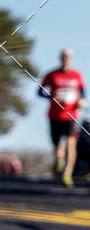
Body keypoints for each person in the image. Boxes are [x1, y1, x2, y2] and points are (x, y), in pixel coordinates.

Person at [39, 49, 85, 186]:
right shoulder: (52, 74)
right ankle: (58, 161)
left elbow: (83, 93)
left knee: (71, 144)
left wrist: (82, 101)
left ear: (72, 58)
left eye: (69, 56)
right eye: (64, 56)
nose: (66, 58)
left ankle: (67, 174)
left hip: (71, 115)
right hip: (54, 115)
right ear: (60, 58)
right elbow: (39, 91)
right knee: (57, 144)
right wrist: (51, 96)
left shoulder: (77, 75)